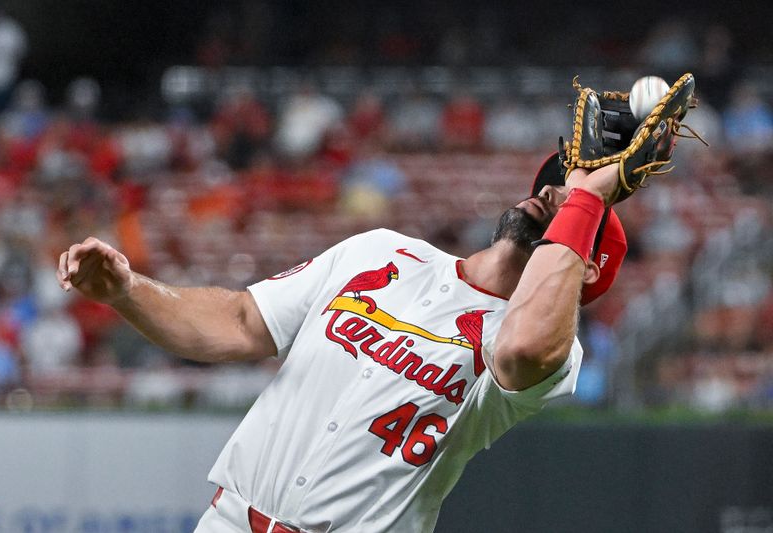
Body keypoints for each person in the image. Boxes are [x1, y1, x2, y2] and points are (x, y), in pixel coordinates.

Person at [56, 160, 627, 533]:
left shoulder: (544, 351)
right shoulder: (381, 252)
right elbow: (238, 321)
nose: (555, 191)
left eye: (573, 208)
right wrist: (129, 291)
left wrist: (589, 202)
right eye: (555, 185)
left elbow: (527, 350)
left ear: (583, 261)